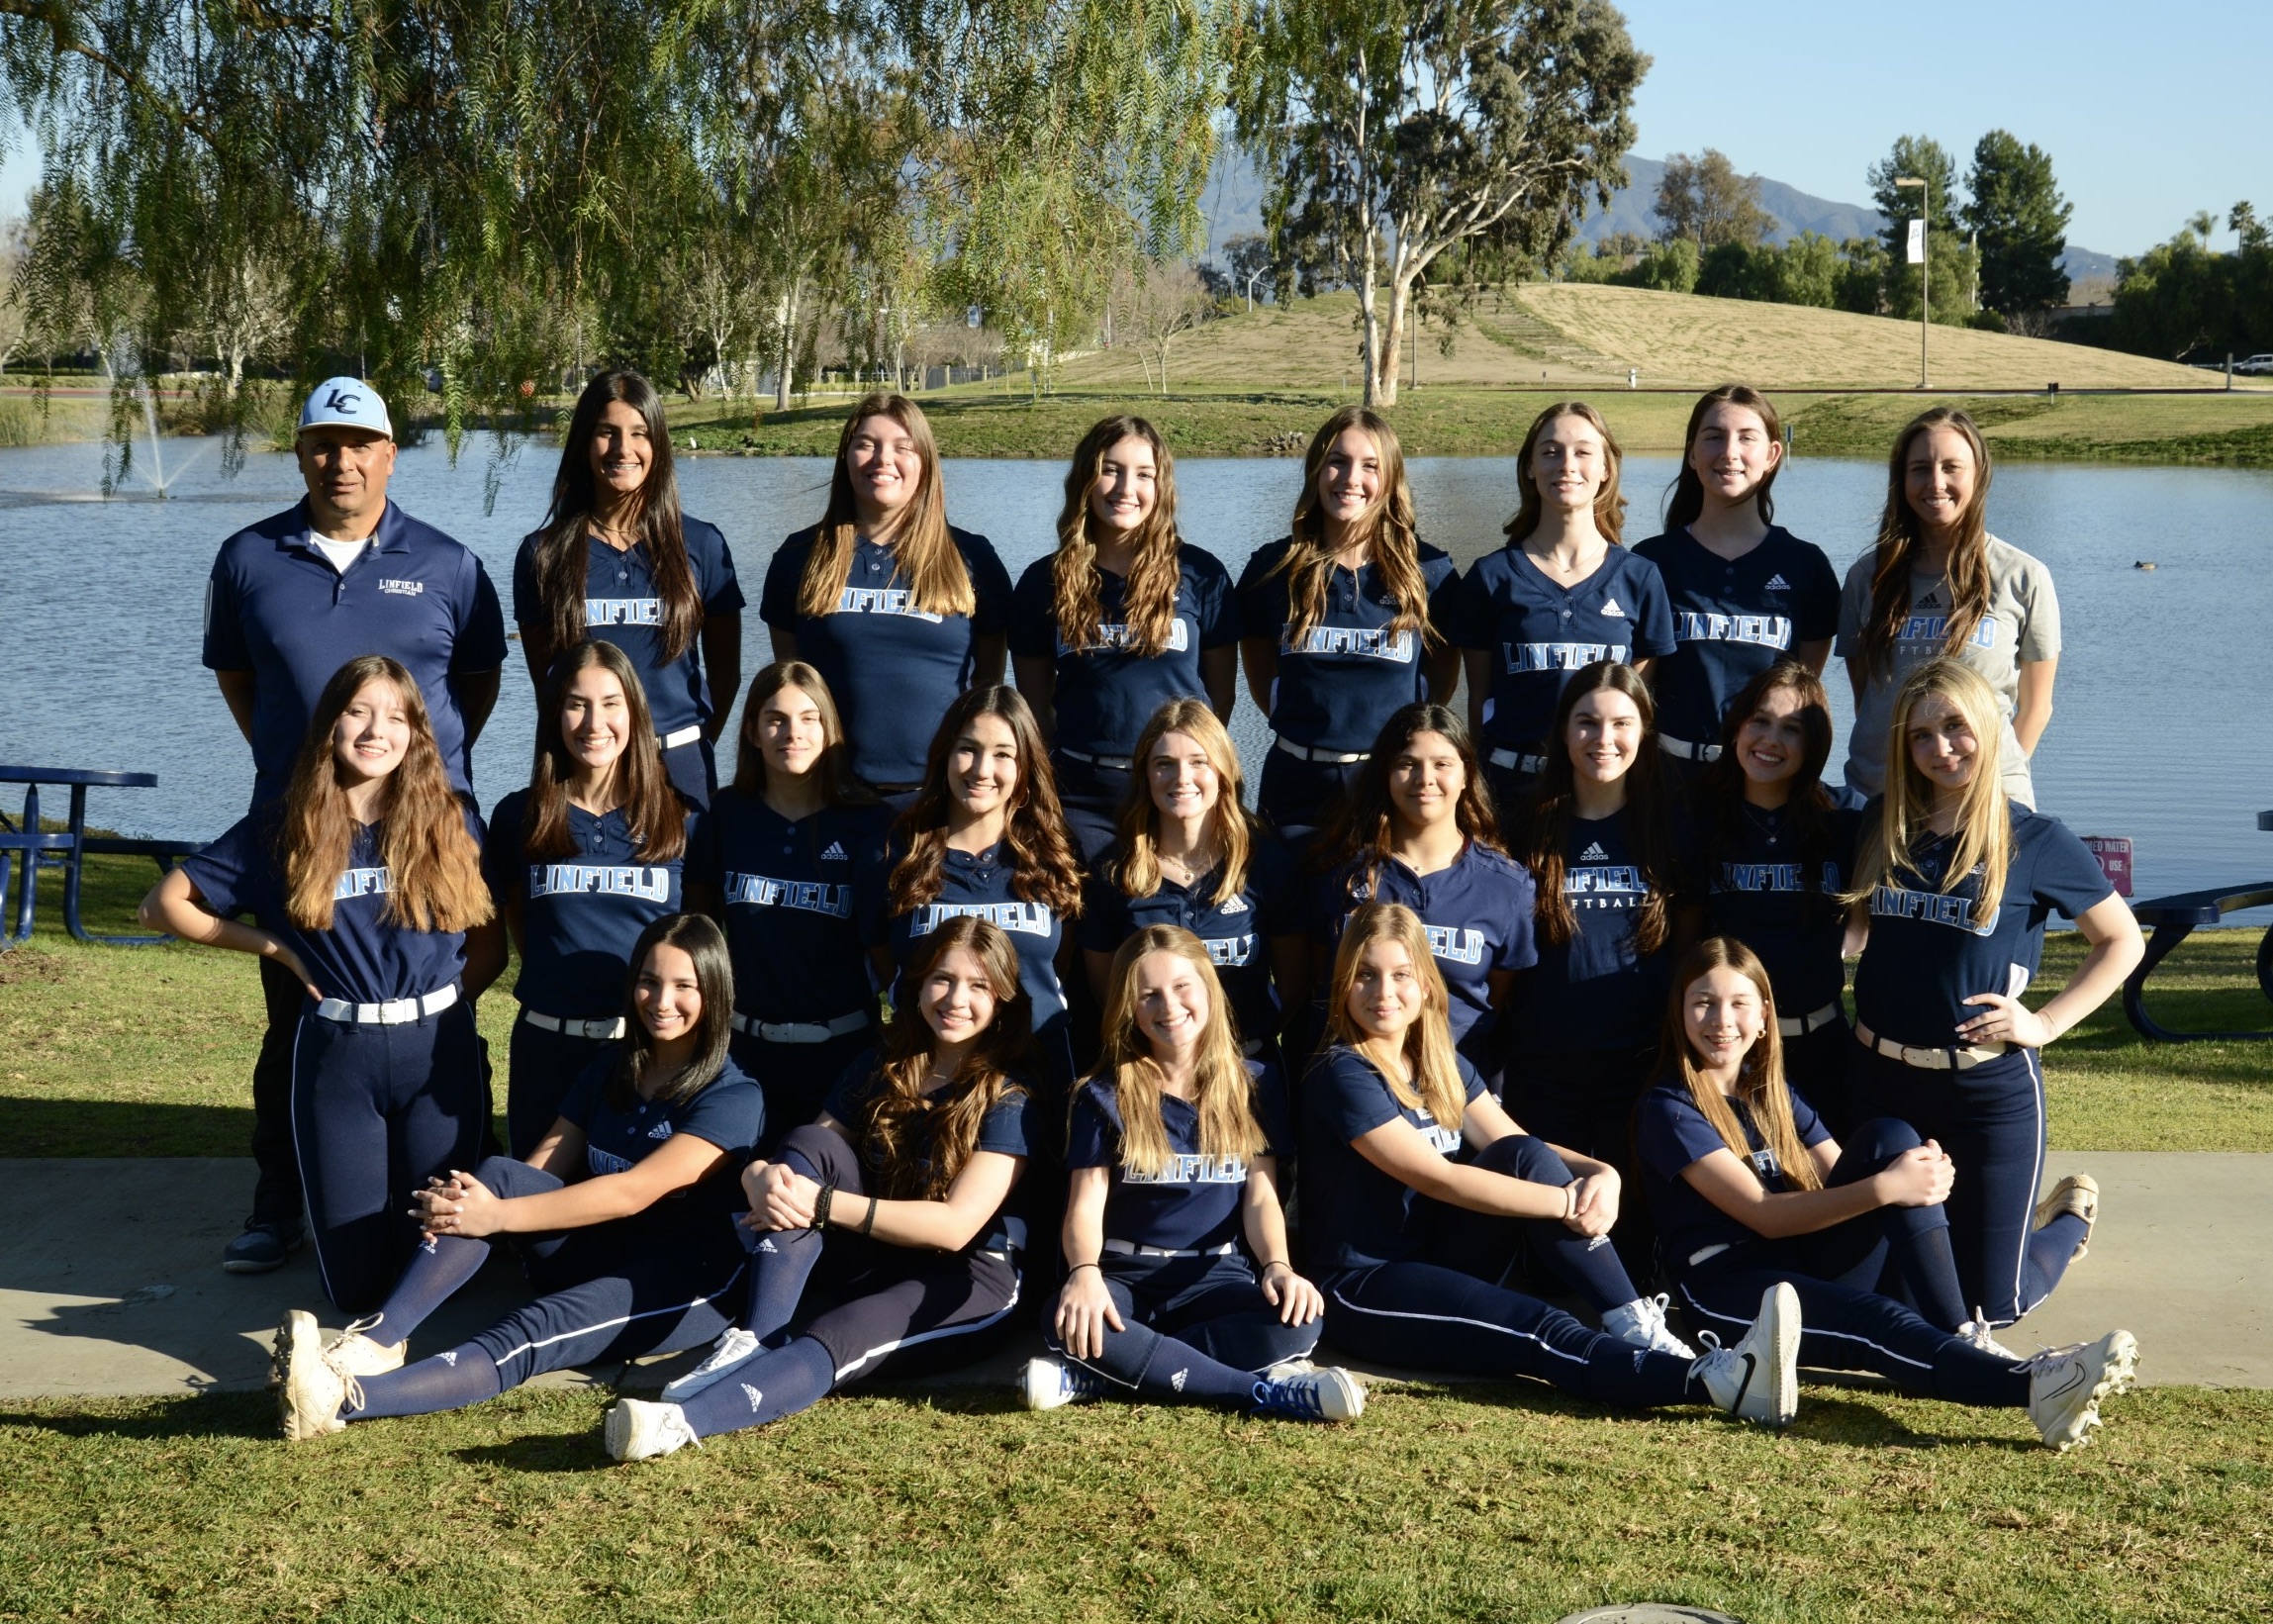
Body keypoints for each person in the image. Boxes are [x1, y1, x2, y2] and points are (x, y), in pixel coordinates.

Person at [201, 377, 507, 1273]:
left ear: (389, 454)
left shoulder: (449, 563)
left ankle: (452, 1196)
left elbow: (475, 684)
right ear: (299, 453)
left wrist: (405, 775)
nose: (342, 460)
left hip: (423, 831)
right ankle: (280, 1201)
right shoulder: (246, 559)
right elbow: (243, 685)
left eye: (360, 442)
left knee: (435, 1007)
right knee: (296, 1016)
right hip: (305, 837)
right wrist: (309, 781)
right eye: (323, 444)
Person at [270, 914, 766, 1441]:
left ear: (714, 991)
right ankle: (375, 1341)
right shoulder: (612, 1067)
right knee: (495, 1176)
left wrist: (499, 1216)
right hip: (605, 1246)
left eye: (683, 986)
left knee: (536, 1329)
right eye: (649, 980)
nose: (661, 1001)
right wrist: (477, 1209)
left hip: (687, 1279)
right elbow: (542, 1166)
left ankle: (338, 1400)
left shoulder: (734, 1095)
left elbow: (633, 1192)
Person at [1636, 936, 2139, 1451]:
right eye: (1703, 1002)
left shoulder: (1771, 1091)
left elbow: (1844, 1181)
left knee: (1890, 1138)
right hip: (1731, 1289)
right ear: (1679, 1014)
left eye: (1739, 1004)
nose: (1721, 1020)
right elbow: (1765, 1216)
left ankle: (1965, 1327)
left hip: (1805, 1261)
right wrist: (1889, 1187)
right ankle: (2035, 1385)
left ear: (1765, 1016)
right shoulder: (1670, 1109)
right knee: (1881, 1321)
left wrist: (1915, 1177)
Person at [1301, 903, 1799, 1421]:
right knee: (1540, 1326)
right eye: (1365, 975)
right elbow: (1438, 1178)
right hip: (1365, 1286)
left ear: (1426, 983)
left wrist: (1599, 1173)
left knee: (1523, 1155)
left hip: (1439, 1256)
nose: (1384, 992)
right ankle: (1715, 1382)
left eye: (1401, 974)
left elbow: (1518, 1144)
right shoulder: (1344, 1072)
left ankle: (1636, 1324)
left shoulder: (1440, 1062)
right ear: (1342, 985)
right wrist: (1566, 1201)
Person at [142, 655, 504, 1313]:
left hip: (436, 1056)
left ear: (417, 733)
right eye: (358, 711)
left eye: (395, 716)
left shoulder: (449, 823)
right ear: (329, 724)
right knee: (355, 1287)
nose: (376, 729)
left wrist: (438, 1012)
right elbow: (163, 904)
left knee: (433, 1252)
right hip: (338, 1056)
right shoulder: (284, 827)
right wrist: (273, 946)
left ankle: (392, 1343)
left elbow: (489, 947)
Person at [600, 917, 1033, 1459]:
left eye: (978, 986)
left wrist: (823, 1204)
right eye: (942, 979)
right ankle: (756, 1337)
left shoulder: (1011, 1098)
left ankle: (673, 1424)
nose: (955, 998)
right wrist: (755, 1173)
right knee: (807, 1140)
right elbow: (811, 1153)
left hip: (964, 1280)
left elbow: (954, 1227)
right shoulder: (883, 1064)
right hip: (878, 1256)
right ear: (918, 984)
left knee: (839, 1329)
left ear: (1004, 1000)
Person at [1844, 658, 2142, 1329]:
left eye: (1954, 726)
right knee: (1887, 1293)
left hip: (1986, 1094)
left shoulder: (2035, 838)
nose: (1940, 747)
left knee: (1990, 1309)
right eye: (1920, 735)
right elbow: (1857, 930)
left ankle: (2067, 1219)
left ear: (1987, 725)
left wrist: (2042, 1023)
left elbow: (2120, 940)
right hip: (1877, 1082)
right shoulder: (1880, 824)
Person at [1021, 926, 1362, 1419]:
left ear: (1209, 990)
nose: (1169, 1006)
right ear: (1129, 1008)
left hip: (1216, 1276)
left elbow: (1263, 1197)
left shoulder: (1256, 1084)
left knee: (1300, 1322)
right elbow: (1085, 1205)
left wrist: (1279, 1268)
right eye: (1149, 995)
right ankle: (1261, 1393)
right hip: (1126, 1278)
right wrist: (1084, 1274)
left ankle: (1105, 1373)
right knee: (1065, 1316)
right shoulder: (1102, 1093)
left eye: (1182, 987)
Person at [482, 640, 693, 1157]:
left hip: (647, 1049)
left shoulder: (683, 820)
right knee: (540, 1217)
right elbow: (521, 924)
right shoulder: (518, 817)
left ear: (635, 714)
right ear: (555, 713)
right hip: (548, 1046)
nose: (593, 722)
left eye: (610, 703)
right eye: (577, 704)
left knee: (637, 1216)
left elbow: (696, 939)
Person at [759, 393, 1013, 800]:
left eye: (902, 447)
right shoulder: (798, 556)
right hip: (830, 792)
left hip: (938, 795)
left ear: (925, 463)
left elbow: (987, 690)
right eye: (866, 444)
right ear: (845, 458)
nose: (882, 459)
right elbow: (791, 683)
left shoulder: (972, 558)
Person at [1501, 662, 1692, 1195]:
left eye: (1621, 724)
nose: (1603, 739)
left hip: (1640, 1064)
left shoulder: (1671, 826)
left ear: (1644, 733)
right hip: (1543, 1062)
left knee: (1630, 1217)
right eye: (1586, 722)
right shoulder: (1525, 826)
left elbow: (1688, 940)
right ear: (1563, 731)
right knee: (1552, 1219)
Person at [1009, 416, 1238, 861]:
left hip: (1176, 792)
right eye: (1110, 469)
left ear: (1162, 485)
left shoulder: (1201, 575)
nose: (1125, 488)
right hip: (1080, 797)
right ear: (1085, 479)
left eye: (1143, 474)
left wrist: (1185, 768)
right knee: (1088, 925)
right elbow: (1035, 707)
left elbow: (1220, 698)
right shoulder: (1043, 581)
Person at [514, 369, 743, 808]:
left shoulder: (702, 545)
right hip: (584, 771)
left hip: (679, 768)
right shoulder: (542, 555)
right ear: (584, 443)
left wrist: (689, 745)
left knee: (690, 879)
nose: (623, 449)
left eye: (639, 433)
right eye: (607, 433)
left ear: (658, 444)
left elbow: (726, 675)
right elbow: (549, 682)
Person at [1235, 407, 1461, 844]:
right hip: (1296, 782)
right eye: (1337, 461)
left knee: (1384, 912)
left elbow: (1440, 681)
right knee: (1292, 908)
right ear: (1317, 469)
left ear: (1391, 478)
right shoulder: (1272, 568)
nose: (1350, 478)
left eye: (1370, 466)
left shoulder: (1430, 571)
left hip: (1389, 783)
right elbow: (1261, 674)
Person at [694, 660, 890, 1148]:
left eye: (808, 718)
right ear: (754, 732)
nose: (792, 732)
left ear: (829, 730)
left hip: (843, 1052)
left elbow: (885, 950)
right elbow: (699, 931)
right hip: (742, 1052)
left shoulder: (869, 823)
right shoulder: (724, 815)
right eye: (775, 718)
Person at [1454, 401, 1675, 815]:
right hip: (1511, 789)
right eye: (1551, 451)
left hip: (1606, 794)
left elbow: (1638, 709)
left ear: (1607, 468)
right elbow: (1479, 701)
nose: (1566, 464)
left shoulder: (1640, 578)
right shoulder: (1491, 576)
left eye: (1583, 452)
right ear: (1530, 468)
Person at [861, 685, 1083, 1093]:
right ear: (944, 754)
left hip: (1036, 1073)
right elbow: (888, 963)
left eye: (1002, 754)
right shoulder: (896, 855)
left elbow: (1057, 967)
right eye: (968, 748)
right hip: (928, 1076)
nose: (982, 769)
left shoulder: (1056, 853)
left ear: (1025, 766)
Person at [1836, 408, 2060, 809]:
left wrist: (1990, 778)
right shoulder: (1867, 577)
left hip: (1986, 803)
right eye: (1920, 468)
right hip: (1882, 798)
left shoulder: (2023, 576)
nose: (1935, 482)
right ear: (1901, 479)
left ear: (1978, 474)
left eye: (1951, 467)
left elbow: (2037, 707)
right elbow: (1868, 697)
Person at [1308, 704, 1537, 1085]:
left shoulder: (1506, 886)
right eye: (1407, 763)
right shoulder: (1342, 875)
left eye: (1442, 764)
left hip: (1463, 1081)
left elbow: (1499, 997)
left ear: (1467, 774)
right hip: (1362, 1082)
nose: (1424, 778)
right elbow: (1319, 981)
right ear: (1385, 773)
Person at [1688, 661, 1860, 1131]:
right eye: (1759, 721)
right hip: (1725, 1052)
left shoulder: (1845, 819)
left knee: (1829, 1186)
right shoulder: (1694, 818)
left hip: (1820, 1044)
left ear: (1815, 743)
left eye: (1792, 729)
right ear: (1737, 727)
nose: (1770, 739)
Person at [1080, 701, 1304, 1062]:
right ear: (1144, 776)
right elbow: (1106, 991)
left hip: (1247, 1065)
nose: (1181, 778)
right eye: (1164, 764)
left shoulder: (1266, 865)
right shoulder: (1114, 873)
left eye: (1198, 762)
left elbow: (1292, 986)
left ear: (1223, 772)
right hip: (1151, 1068)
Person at [1632, 386, 1839, 773]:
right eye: (1714, 437)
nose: (1729, 452)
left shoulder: (1806, 565)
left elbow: (1804, 696)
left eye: (1747, 438)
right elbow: (1637, 697)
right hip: (1670, 781)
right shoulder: (1651, 561)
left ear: (1772, 454)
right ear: (1692, 453)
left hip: (1766, 780)